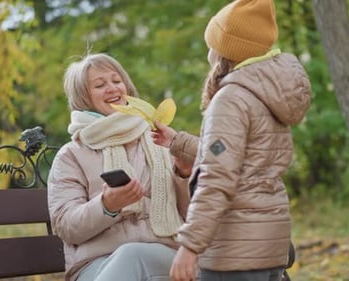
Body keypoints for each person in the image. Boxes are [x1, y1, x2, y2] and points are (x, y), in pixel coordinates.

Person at [151, 0, 311, 280]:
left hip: (234, 251)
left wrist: (189, 246)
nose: (208, 50)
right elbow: (240, 157)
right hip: (268, 244)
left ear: (226, 49)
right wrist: (179, 142)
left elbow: (217, 177)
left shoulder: (231, 99)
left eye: (212, 42)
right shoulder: (264, 92)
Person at [47, 53, 192, 281]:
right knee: (130, 257)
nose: (112, 88)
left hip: (165, 255)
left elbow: (194, 214)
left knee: (133, 255)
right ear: (83, 97)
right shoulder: (71, 155)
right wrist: (107, 206)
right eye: (100, 85)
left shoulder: (158, 139)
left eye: (116, 81)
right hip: (96, 264)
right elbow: (67, 227)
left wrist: (184, 174)